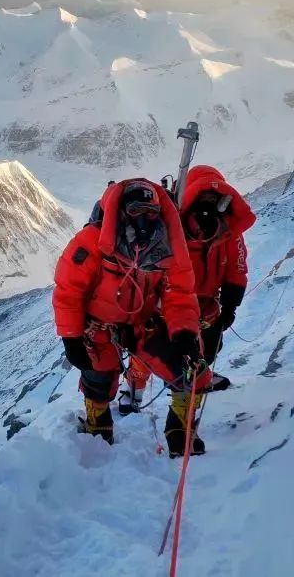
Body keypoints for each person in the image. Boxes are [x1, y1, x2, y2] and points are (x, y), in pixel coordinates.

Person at [52, 178, 206, 446]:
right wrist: (71, 336)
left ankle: (180, 431)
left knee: (189, 370)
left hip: (141, 323)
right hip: (98, 327)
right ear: (121, 212)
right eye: (136, 211)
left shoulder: (168, 247)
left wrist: (183, 334)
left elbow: (179, 294)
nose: (144, 219)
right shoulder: (92, 241)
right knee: (97, 379)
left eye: (151, 213)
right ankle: (98, 429)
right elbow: (69, 290)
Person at [164, 165, 257, 455]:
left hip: (194, 308)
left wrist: (229, 304)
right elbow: (237, 269)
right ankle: (180, 428)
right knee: (191, 363)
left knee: (196, 363)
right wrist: (229, 304)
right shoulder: (221, 227)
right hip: (187, 309)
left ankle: (180, 426)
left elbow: (236, 269)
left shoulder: (221, 231)